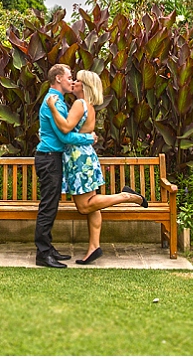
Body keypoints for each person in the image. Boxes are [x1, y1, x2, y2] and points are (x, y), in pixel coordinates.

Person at [46, 69, 147, 265]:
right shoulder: (89, 106)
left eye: (77, 80)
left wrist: (52, 108)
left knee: (84, 206)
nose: (73, 82)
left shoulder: (79, 104)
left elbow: (66, 128)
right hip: (86, 158)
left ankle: (126, 196)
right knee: (93, 204)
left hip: (79, 160)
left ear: (84, 86)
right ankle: (94, 247)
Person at [35, 64, 97, 268]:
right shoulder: (54, 102)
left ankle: (48, 248)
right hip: (49, 157)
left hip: (52, 157)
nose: (71, 81)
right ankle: (43, 254)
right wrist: (88, 138)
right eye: (69, 77)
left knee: (51, 205)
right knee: (48, 206)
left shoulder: (58, 101)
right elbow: (64, 135)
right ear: (59, 78)